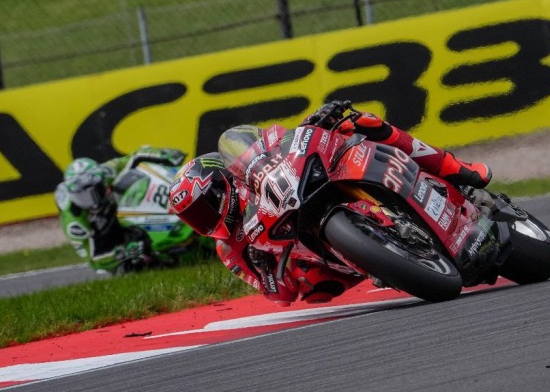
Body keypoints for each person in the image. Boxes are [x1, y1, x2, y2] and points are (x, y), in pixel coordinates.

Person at [168, 100, 492, 306]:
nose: (207, 218)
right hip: (316, 254)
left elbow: (277, 141)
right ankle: (384, 257)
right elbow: (281, 295)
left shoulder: (249, 168)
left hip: (307, 189)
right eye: (196, 218)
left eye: (206, 205)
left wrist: (317, 122)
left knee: (360, 123)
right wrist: (266, 268)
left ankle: (453, 167)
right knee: (315, 289)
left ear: (222, 181)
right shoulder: (229, 249)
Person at [54, 145, 187, 274]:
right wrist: (122, 252)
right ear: (73, 195)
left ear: (102, 181)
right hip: (102, 238)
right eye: (82, 197)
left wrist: (162, 154)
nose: (92, 201)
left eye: (96, 191)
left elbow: (136, 156)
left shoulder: (105, 172)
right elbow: (94, 260)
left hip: (111, 206)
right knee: (131, 264)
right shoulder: (74, 223)